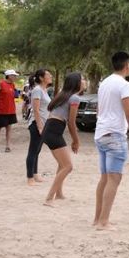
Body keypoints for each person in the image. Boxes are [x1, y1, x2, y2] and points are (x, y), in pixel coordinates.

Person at [93, 52, 129, 231]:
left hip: (101, 133)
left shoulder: (104, 83)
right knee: (114, 179)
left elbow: (100, 110)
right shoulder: (124, 85)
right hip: (115, 136)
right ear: (127, 66)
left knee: (105, 178)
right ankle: (103, 221)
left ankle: (97, 218)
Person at [41, 72, 83, 207]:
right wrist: (76, 140)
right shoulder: (74, 98)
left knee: (62, 163)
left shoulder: (63, 95)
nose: (85, 81)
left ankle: (59, 194)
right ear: (77, 83)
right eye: (83, 79)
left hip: (51, 128)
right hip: (53, 130)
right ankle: (49, 198)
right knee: (68, 166)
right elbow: (71, 123)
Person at [25, 69, 52, 186]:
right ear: (41, 78)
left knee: (37, 150)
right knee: (33, 150)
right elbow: (35, 109)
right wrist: (40, 126)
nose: (51, 76)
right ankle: (29, 177)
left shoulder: (44, 90)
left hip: (44, 124)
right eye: (48, 75)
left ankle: (35, 173)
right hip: (36, 124)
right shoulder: (37, 90)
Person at [0, 69, 20, 152]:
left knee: (9, 128)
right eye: (14, 76)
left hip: (11, 110)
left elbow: (14, 96)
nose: (15, 77)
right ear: (9, 76)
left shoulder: (13, 85)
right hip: (2, 110)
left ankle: (8, 146)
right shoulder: (0, 84)